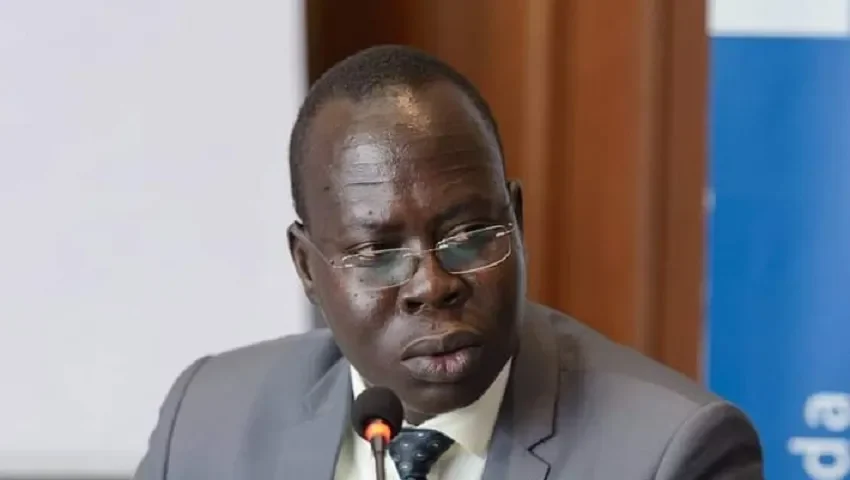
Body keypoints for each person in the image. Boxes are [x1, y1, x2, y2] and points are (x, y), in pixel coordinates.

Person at [134, 45, 763, 480]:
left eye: (469, 235)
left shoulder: (670, 454)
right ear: (307, 267)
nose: (432, 285)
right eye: (378, 254)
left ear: (516, 220)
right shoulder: (207, 420)